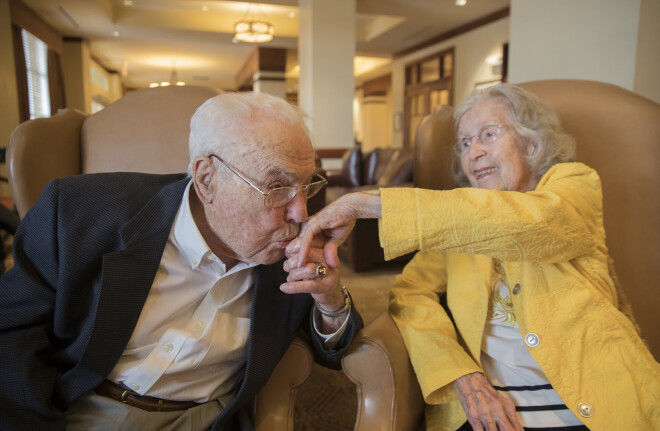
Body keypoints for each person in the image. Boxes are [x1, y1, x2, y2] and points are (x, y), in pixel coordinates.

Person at [288, 84, 660, 430]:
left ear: (531, 142)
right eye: (464, 143)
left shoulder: (574, 184)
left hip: (604, 402)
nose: (473, 152)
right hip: (489, 414)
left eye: (488, 135)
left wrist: (366, 203)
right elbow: (410, 295)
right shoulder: (454, 224)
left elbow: (533, 222)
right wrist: (460, 374)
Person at [0, 91, 362, 431]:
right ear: (206, 180)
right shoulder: (78, 213)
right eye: (277, 187)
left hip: (207, 419)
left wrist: (330, 304)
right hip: (85, 406)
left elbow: (334, 353)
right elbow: (13, 332)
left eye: (307, 184)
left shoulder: (293, 240)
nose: (300, 211)